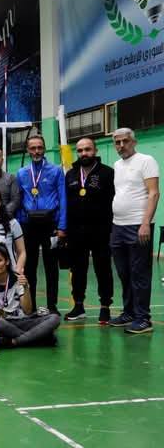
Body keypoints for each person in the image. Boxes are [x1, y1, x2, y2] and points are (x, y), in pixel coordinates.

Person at [109, 128, 160, 334]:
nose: (121, 145)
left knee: (140, 273)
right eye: (117, 142)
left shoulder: (146, 161)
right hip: (117, 226)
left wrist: (145, 223)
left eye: (125, 141)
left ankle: (143, 318)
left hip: (139, 225)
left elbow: (154, 193)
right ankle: (129, 313)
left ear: (134, 142)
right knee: (124, 272)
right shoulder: (117, 165)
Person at [64, 138, 115, 324]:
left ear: (95, 150)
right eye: (80, 150)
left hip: (101, 230)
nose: (84, 153)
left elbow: (114, 201)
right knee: (78, 270)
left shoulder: (107, 173)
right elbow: (66, 203)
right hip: (76, 231)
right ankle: (78, 306)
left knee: (103, 269)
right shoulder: (70, 174)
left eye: (87, 149)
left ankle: (105, 307)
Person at [16, 135, 66, 315]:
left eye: (39, 147)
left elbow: (63, 198)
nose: (36, 151)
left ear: (44, 149)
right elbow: (19, 200)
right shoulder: (22, 173)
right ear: (28, 150)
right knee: (29, 268)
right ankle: (31, 307)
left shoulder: (56, 171)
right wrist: (19, 226)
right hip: (29, 225)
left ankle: (52, 306)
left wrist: (62, 226)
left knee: (51, 267)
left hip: (50, 225)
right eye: (33, 148)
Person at [0, 245, 60, 347]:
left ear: (7, 261)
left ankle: (14, 341)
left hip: (22, 320)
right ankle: (39, 338)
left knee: (54, 318)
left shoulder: (17, 278)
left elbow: (27, 311)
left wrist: (26, 288)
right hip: (4, 322)